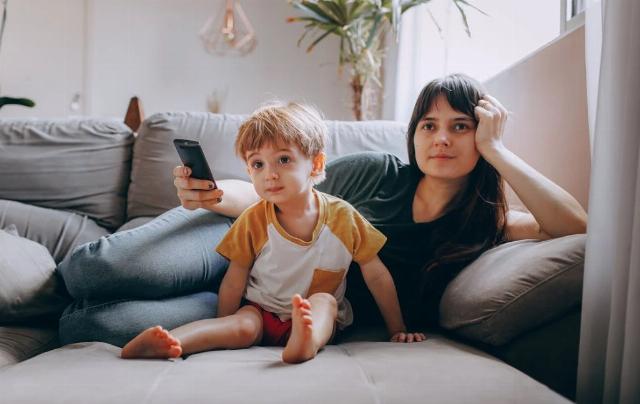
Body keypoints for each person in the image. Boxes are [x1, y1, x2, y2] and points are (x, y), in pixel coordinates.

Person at [57, 74, 587, 346]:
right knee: (94, 269)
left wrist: (499, 150)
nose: (441, 138)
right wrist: (218, 196)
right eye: (429, 124)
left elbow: (577, 229)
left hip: (275, 309)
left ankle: (55, 317)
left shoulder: (486, 229)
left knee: (90, 326)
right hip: (241, 235)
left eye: (460, 126)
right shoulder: (378, 172)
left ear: (481, 135)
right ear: (414, 134)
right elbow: (278, 188)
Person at [120, 102, 425, 363]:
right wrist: (225, 319)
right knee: (242, 324)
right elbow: (233, 281)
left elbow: (377, 276)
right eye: (258, 164)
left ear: (315, 163)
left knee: (325, 302)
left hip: (316, 319)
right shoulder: (254, 219)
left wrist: (396, 328)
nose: (271, 174)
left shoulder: (344, 218)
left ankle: (306, 341)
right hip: (262, 311)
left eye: (283, 159)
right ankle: (170, 342)